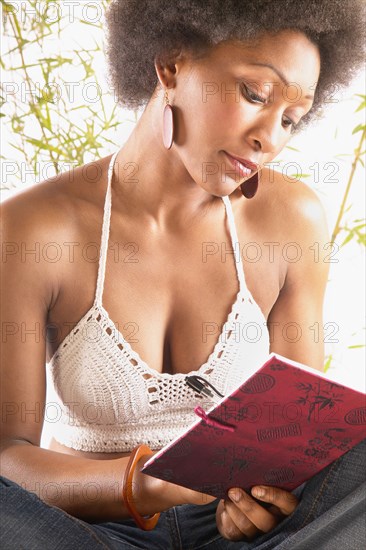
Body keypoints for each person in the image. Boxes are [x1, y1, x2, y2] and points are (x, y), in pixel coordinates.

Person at [1, 0, 365, 548]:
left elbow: (297, 441)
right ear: (172, 64)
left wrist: (264, 505)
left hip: (243, 539)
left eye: (291, 119)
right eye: (255, 95)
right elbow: (9, 457)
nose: (271, 138)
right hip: (87, 532)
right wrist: (148, 484)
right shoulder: (33, 229)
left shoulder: (292, 219)